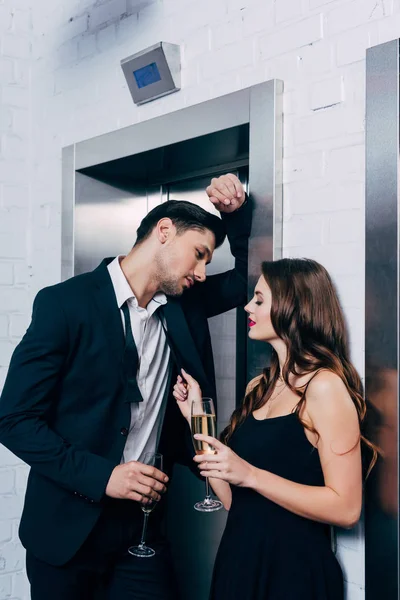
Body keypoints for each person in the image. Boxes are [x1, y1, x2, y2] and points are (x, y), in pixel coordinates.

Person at [0, 173, 252, 600]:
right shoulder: (64, 304)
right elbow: (14, 420)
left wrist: (238, 214)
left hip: (145, 528)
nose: (203, 272)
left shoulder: (183, 307)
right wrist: (105, 477)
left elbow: (252, 279)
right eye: (199, 254)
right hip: (66, 532)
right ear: (165, 232)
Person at [173, 258, 378, 600]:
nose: (246, 306)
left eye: (258, 299)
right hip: (239, 562)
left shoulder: (325, 387)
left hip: (293, 573)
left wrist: (251, 474)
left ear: (293, 308)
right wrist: (196, 417)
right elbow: (232, 499)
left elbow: (346, 509)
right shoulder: (260, 386)